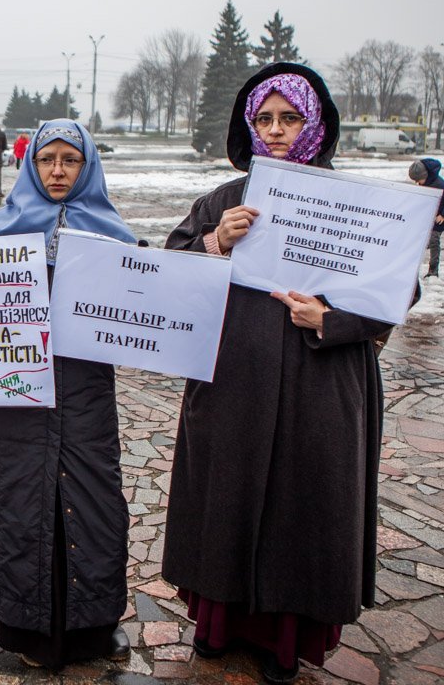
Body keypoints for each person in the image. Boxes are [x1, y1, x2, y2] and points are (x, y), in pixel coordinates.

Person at [161, 63, 401, 684]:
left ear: (314, 123)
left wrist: (330, 317)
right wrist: (214, 242)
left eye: (289, 118)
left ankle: (284, 642)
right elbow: (168, 274)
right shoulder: (223, 199)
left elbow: (400, 292)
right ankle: (219, 626)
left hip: (321, 386)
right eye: (264, 119)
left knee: (305, 507)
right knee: (227, 500)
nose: (275, 131)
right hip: (233, 382)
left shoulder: (357, 204)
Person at [0, 118, 135, 670]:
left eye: (70, 160)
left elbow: (151, 298)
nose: (57, 170)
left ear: (88, 167)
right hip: (14, 401)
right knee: (18, 505)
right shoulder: (0, 228)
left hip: (85, 402)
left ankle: (93, 627)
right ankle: (24, 630)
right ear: (30, 163)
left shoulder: (111, 233)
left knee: (93, 505)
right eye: (46, 159)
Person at [408, 157, 444, 277]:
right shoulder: (427, 182)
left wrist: (443, 215)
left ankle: (433, 270)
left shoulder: (439, 184)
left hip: (438, 221)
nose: (417, 183)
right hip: (428, 218)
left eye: (418, 180)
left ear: (425, 176)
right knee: (423, 242)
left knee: (433, 242)